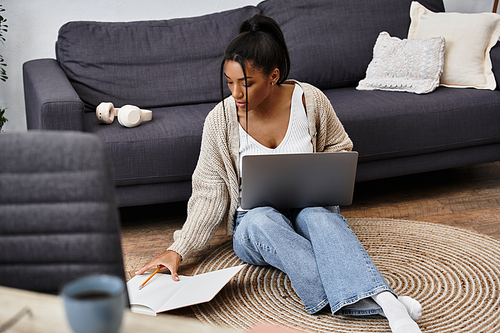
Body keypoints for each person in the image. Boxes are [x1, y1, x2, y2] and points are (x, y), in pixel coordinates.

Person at [137, 14, 423, 333]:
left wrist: (321, 175)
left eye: (246, 84)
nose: (236, 94)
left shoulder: (311, 100)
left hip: (310, 208)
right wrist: (179, 248)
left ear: (273, 76)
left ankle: (385, 301)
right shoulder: (220, 120)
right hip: (255, 226)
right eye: (229, 83)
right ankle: (382, 300)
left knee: (317, 216)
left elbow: (339, 148)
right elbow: (209, 192)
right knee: (260, 219)